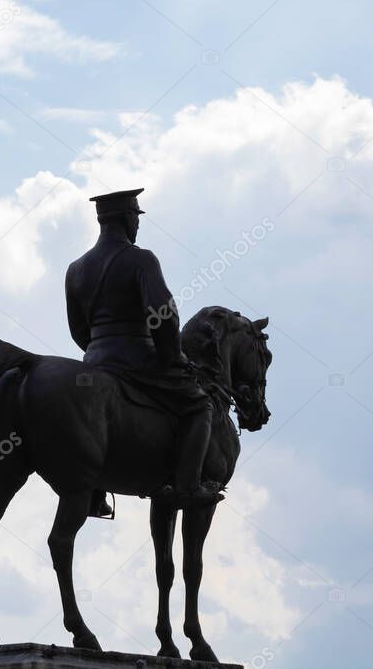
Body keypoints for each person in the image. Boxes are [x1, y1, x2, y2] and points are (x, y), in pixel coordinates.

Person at [65, 188, 221, 518]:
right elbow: (165, 314)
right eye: (137, 215)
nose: (138, 223)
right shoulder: (141, 259)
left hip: (94, 360)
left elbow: (78, 330)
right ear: (126, 218)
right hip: (138, 359)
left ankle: (94, 492)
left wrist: (98, 352)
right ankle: (188, 486)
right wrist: (172, 356)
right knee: (199, 405)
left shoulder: (76, 268)